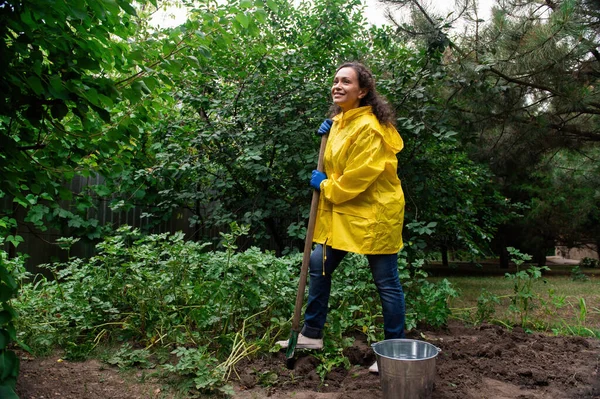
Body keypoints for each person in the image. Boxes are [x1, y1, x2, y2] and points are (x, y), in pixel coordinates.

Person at [277, 61, 406, 373]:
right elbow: (336, 161)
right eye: (335, 80)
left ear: (362, 91)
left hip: (374, 212)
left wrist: (323, 184)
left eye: (346, 82)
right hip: (344, 213)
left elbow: (358, 177)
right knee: (318, 263)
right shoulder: (340, 122)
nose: (337, 86)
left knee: (386, 282)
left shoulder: (370, 128)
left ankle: (394, 352)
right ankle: (311, 334)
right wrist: (332, 127)